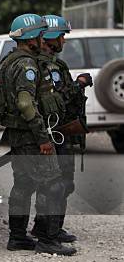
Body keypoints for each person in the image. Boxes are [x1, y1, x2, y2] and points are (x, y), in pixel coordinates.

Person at [0, 13, 76, 256]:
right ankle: (48, 240)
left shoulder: (10, 61)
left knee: (23, 185)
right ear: (30, 39)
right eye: (40, 35)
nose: (44, 40)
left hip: (17, 135)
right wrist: (43, 139)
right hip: (30, 136)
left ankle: (17, 237)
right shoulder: (27, 65)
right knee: (53, 185)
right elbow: (26, 103)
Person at [29, 15, 92, 243]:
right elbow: (55, 100)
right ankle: (48, 231)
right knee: (55, 184)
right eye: (62, 36)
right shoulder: (39, 65)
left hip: (62, 132)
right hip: (51, 133)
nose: (64, 41)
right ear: (51, 37)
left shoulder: (57, 64)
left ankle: (49, 226)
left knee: (64, 183)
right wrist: (78, 85)